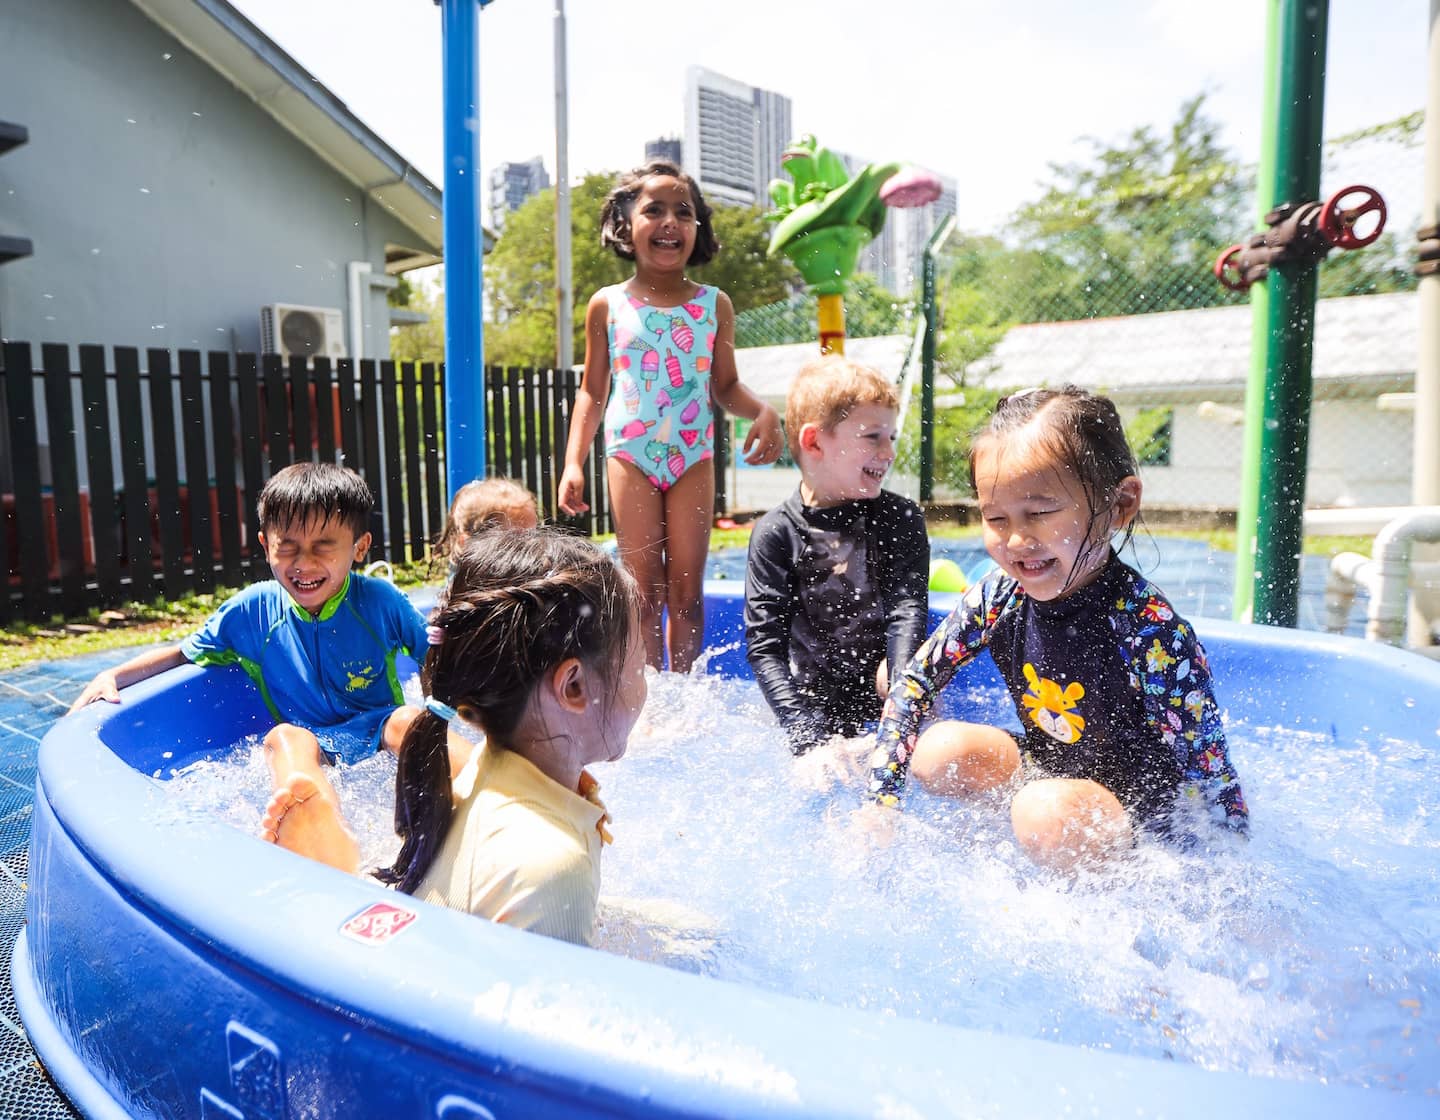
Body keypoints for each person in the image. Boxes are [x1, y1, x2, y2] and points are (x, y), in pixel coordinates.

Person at [867, 386, 1248, 871]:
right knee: (939, 751)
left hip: (1139, 816)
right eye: (995, 517)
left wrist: (1228, 867)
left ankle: (1096, 866)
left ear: (1120, 505)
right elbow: (916, 682)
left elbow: (1209, 764)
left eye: (1041, 513)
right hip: (1052, 774)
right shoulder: (998, 596)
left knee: (1044, 810)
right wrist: (880, 803)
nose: (1017, 540)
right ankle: (1040, 844)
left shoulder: (1148, 631)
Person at [260, 528, 647, 947]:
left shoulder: (472, 780)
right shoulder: (553, 867)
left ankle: (341, 878)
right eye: (637, 667)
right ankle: (332, 874)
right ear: (573, 687)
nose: (643, 684)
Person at [69, 462, 431, 868]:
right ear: (265, 544)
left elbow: (435, 657)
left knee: (411, 720)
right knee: (284, 740)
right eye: (288, 546)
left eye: (323, 545)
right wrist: (114, 675)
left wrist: (444, 709)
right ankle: (323, 832)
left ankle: (478, 791)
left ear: (360, 547)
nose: (304, 563)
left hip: (380, 727)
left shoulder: (379, 601)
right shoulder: (252, 610)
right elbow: (181, 653)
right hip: (315, 744)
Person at [557, 158, 784, 673]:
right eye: (653, 210)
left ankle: (683, 695)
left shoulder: (713, 305)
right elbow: (592, 392)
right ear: (625, 226)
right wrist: (573, 462)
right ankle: (647, 695)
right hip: (630, 455)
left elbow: (724, 386)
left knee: (686, 590)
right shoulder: (607, 304)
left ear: (697, 228)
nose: (669, 223)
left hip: (692, 456)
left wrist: (763, 410)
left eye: (683, 212)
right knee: (642, 590)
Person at [745, 355, 929, 755]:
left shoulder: (900, 518)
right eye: (872, 437)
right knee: (820, 773)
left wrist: (902, 704)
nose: (889, 452)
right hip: (815, 698)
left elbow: (907, 610)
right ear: (814, 442)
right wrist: (803, 734)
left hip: (888, 682)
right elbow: (765, 647)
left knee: (924, 729)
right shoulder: (777, 534)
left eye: (892, 437)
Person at [431, 477, 540, 577]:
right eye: (515, 541)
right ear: (467, 545)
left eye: (532, 535)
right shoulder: (468, 591)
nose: (529, 547)